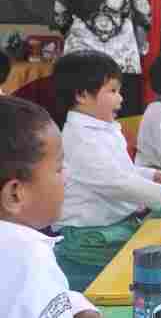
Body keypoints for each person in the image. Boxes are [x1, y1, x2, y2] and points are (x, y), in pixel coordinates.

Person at [51, 51, 161, 291]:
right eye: (112, 91)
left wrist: (149, 175)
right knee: (107, 290)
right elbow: (115, 182)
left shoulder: (103, 127)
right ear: (82, 95)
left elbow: (120, 170)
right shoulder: (80, 137)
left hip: (111, 227)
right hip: (91, 238)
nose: (120, 98)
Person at [0, 96, 100, 318]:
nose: (66, 176)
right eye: (58, 168)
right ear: (15, 194)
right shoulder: (27, 254)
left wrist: (76, 305)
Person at [52, 0, 150, 118]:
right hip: (123, 63)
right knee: (123, 119)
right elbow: (144, 15)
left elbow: (60, 18)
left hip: (79, 63)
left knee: (79, 116)